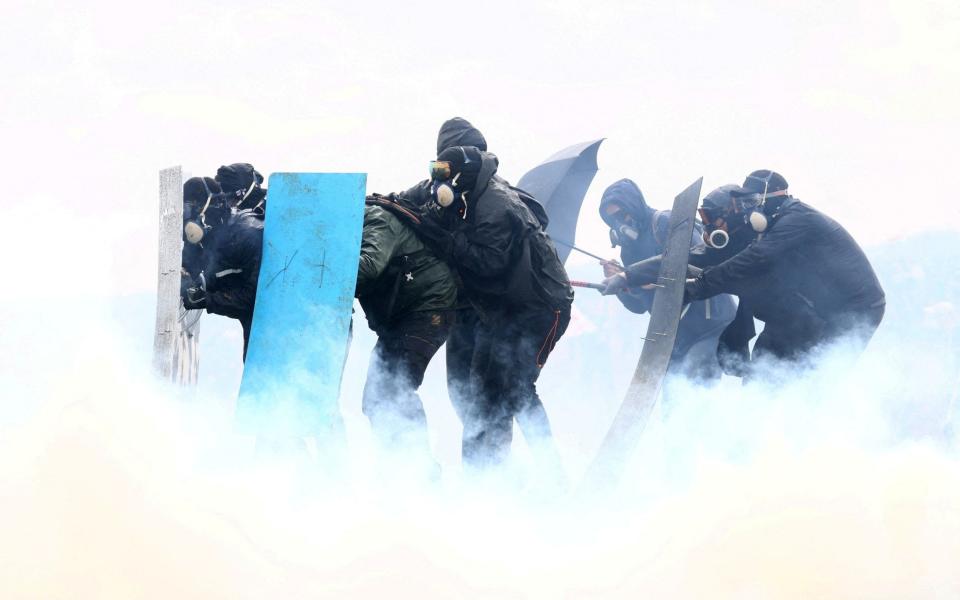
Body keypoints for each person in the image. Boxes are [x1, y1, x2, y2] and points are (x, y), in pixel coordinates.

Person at [606, 172, 885, 374]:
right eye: (704, 218)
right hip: (798, 316)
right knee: (759, 382)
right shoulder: (743, 238)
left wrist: (691, 288)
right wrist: (628, 276)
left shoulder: (794, 222)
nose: (711, 225)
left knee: (815, 382)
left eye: (712, 217)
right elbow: (680, 259)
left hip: (852, 310)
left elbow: (746, 266)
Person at [410, 142, 574, 471]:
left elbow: (490, 263)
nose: (439, 183)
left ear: (461, 176)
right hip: (504, 311)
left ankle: (552, 471)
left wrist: (446, 237)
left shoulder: (494, 205)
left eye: (445, 174)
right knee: (481, 391)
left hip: (542, 310)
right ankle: (487, 475)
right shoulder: (470, 196)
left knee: (517, 388)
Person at [597, 179, 737, 383]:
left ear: (633, 205)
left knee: (695, 390)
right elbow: (639, 306)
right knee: (672, 402)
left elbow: (700, 264)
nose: (620, 222)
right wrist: (620, 284)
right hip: (676, 337)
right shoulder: (628, 252)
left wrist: (648, 281)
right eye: (612, 219)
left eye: (621, 213)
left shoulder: (664, 222)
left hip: (712, 325)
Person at [355, 194, 457, 470]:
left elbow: (369, 266)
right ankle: (398, 467)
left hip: (427, 309)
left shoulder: (375, 219)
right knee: (375, 399)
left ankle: (420, 471)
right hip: (400, 317)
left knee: (396, 389)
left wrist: (320, 268)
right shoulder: (358, 222)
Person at [180, 176, 264, 361]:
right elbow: (197, 266)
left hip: (273, 329)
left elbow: (257, 299)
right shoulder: (211, 237)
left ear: (208, 208)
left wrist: (205, 299)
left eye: (189, 211)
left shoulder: (248, 235)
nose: (187, 221)